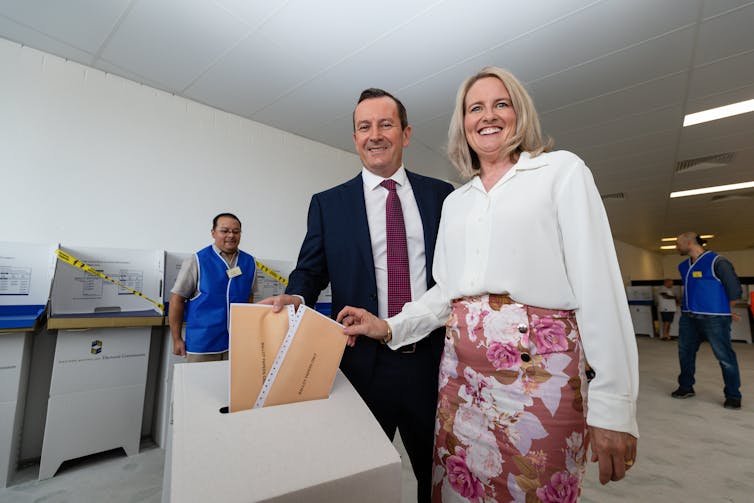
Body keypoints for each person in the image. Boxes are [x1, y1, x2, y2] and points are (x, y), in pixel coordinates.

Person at [338, 67, 638, 502]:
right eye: (474, 107)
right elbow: (446, 293)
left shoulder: (561, 172)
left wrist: (614, 404)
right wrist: (388, 327)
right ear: (463, 124)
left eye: (501, 103)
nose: (487, 115)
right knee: (458, 490)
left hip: (538, 380)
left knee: (534, 489)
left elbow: (600, 287)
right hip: (459, 384)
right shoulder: (458, 202)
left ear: (520, 113)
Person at [260, 89, 454, 502]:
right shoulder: (330, 205)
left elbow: (453, 278)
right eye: (364, 127)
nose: (375, 134)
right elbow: (310, 270)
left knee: (438, 479)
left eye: (386, 124)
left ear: (405, 133)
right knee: (359, 479)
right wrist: (296, 296)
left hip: (433, 365)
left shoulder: (442, 197)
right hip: (364, 365)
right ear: (354, 138)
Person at [169, 213, 255, 363]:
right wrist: (176, 339)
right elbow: (177, 299)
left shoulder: (249, 262)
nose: (231, 235)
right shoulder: (197, 260)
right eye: (225, 230)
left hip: (236, 344)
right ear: (213, 233)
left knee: (232, 386)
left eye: (236, 231)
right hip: (202, 344)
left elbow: (249, 298)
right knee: (199, 385)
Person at [672, 232, 743, 409]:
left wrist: (726, 310)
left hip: (714, 318)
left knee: (725, 357)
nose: (676, 247)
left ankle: (733, 395)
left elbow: (734, 290)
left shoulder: (718, 262)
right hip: (689, 317)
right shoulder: (683, 266)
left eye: (678, 243)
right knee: (685, 353)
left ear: (689, 242)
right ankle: (686, 386)